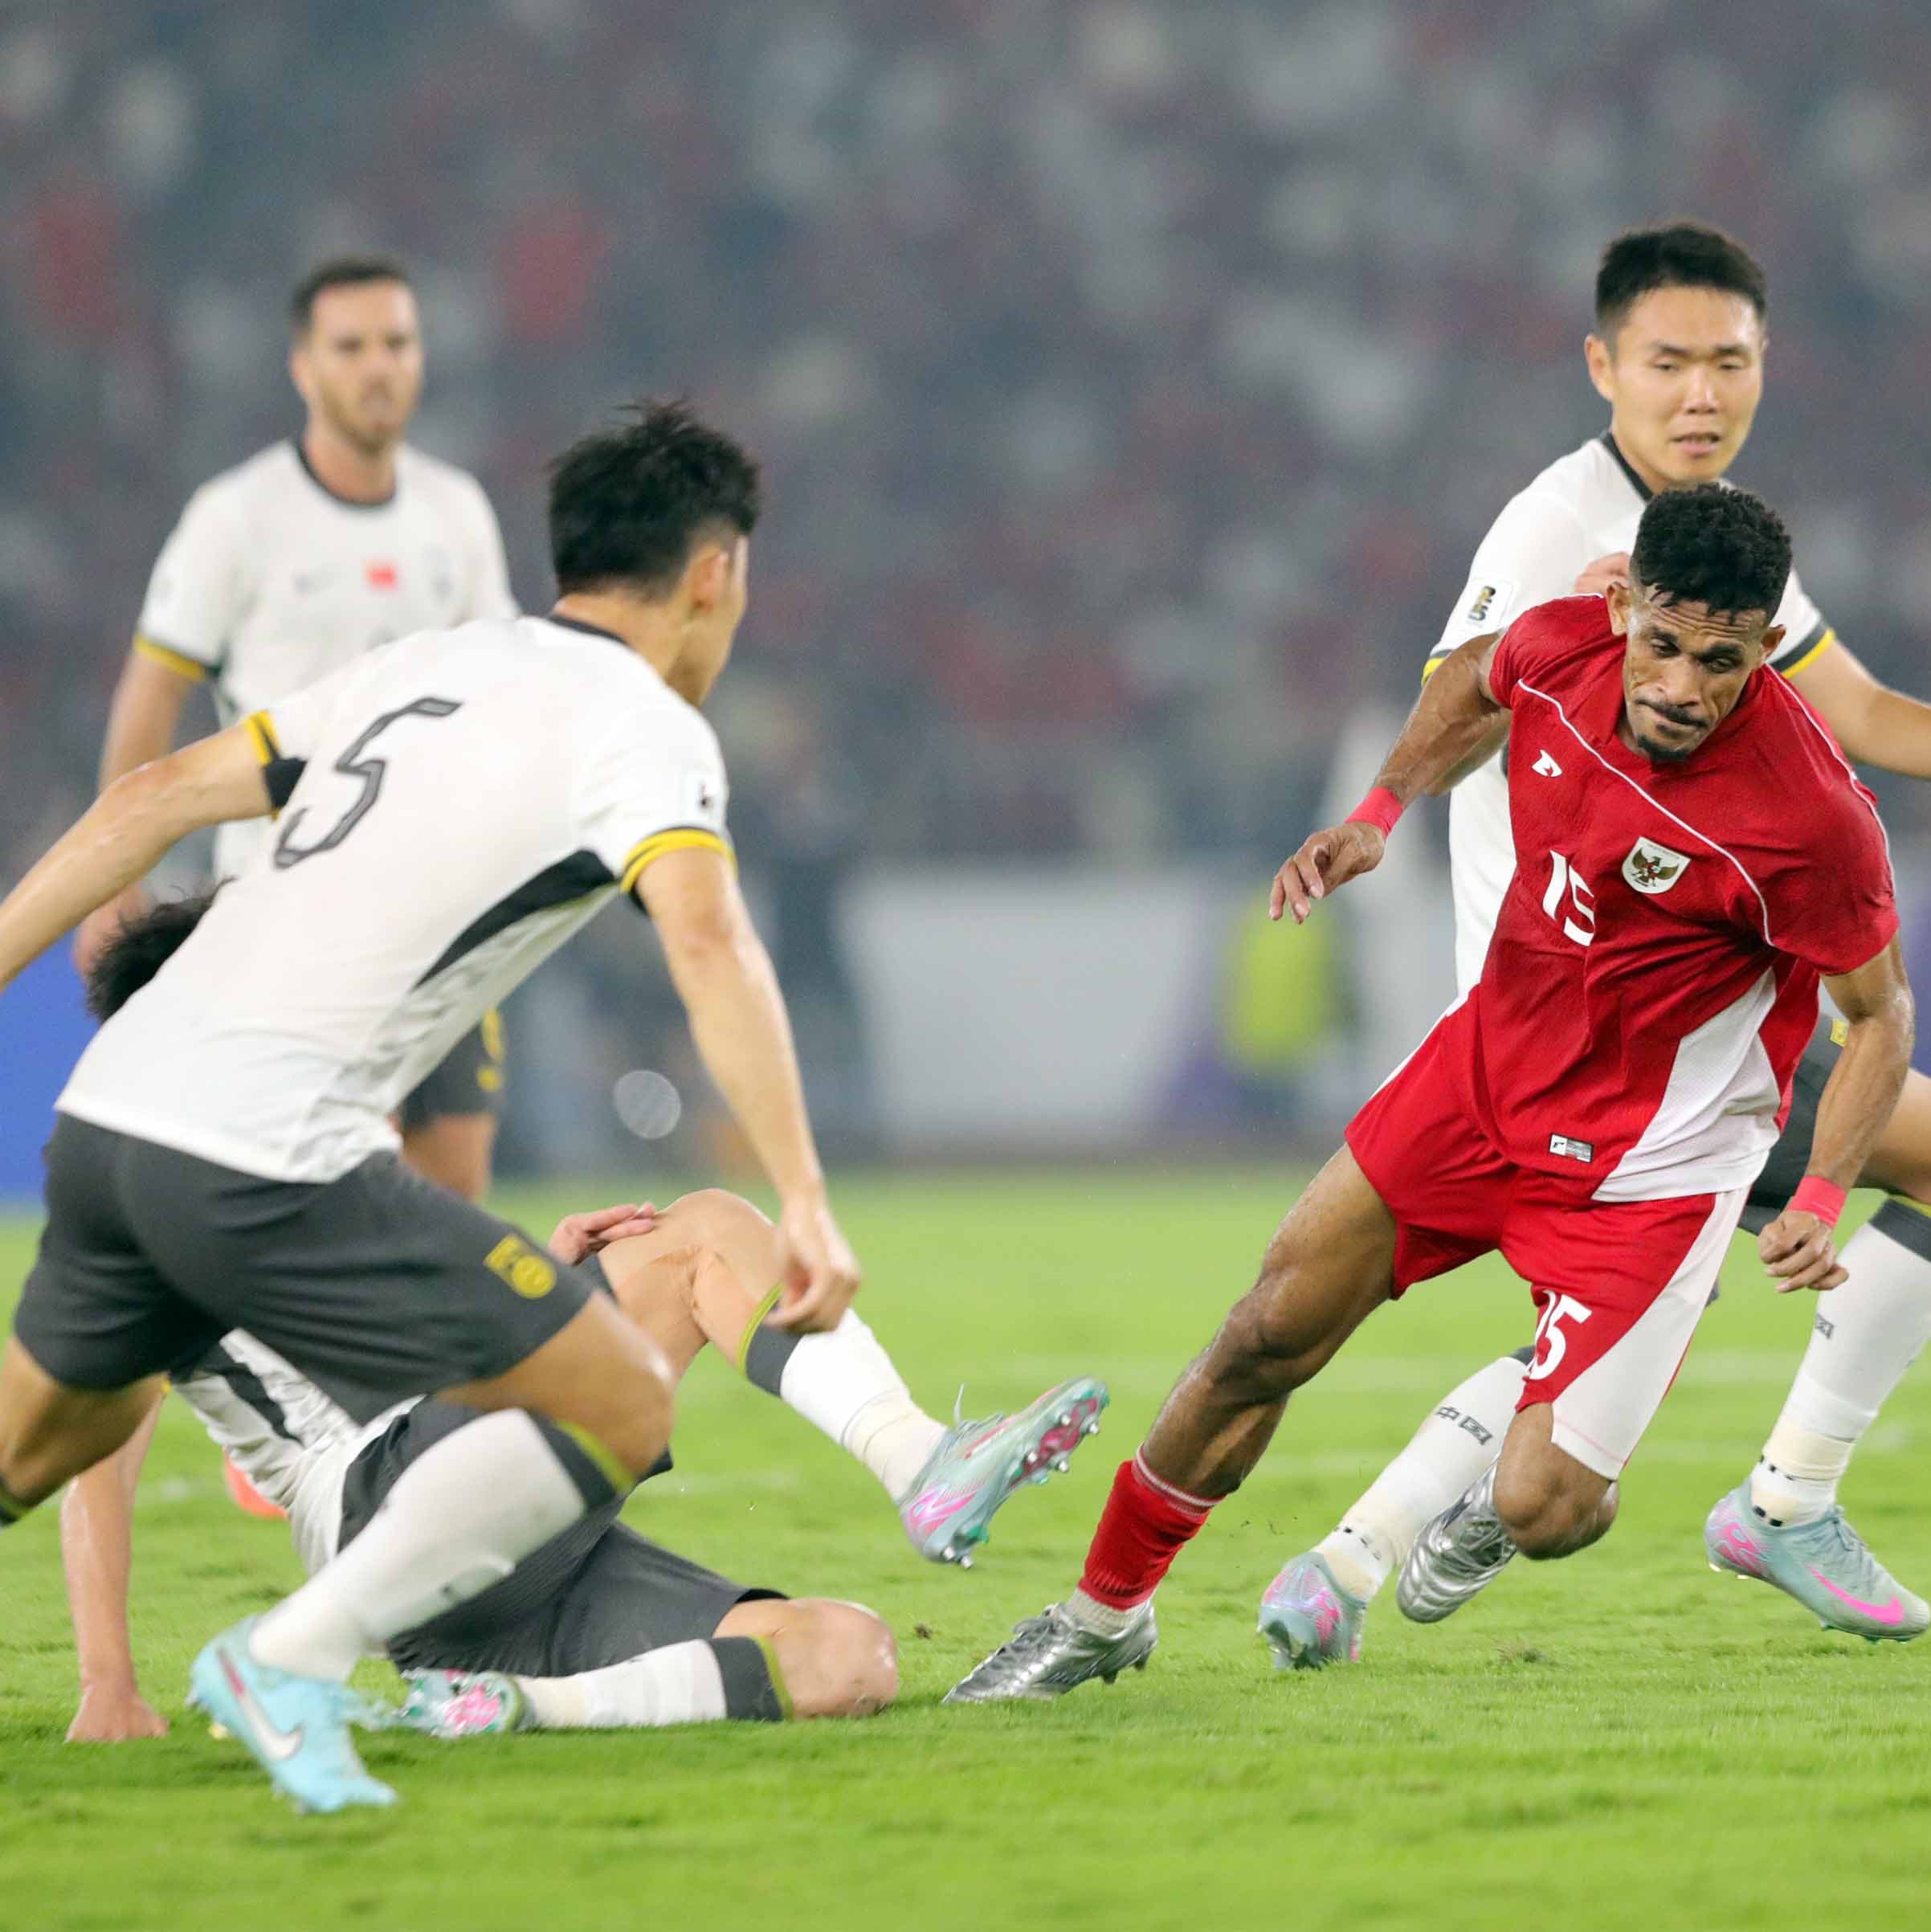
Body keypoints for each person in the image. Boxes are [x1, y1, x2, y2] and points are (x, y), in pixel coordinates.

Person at [1263, 222, 1931, 1662]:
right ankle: (1763, 1504)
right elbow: (1464, 693)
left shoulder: (1708, 534)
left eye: (1728, 363)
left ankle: (1354, 1560)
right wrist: (1380, 812)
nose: (1701, 393)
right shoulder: (1558, 526)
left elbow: (1850, 710)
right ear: (1601, 367)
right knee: (1875, 1202)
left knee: (1881, 1196)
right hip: (1576, 1021)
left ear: (1764, 366)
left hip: (1682, 1004)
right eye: (1668, 362)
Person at [0, 401, 848, 1813]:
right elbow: (707, 942)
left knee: (27, 1451)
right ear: (715, 574)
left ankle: (353, 1655)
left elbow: (149, 796)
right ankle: (291, 1657)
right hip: (269, 1148)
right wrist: (804, 1192)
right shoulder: (643, 728)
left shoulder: (423, 664)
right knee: (616, 1394)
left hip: (105, 1124)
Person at [947, 484, 1911, 1701]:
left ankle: (1502, 1496)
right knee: (1262, 1333)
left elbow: (1880, 1016)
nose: (1678, 688)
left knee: (1547, 1504)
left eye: (1719, 663)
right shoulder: (1557, 645)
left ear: (1765, 647)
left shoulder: (1811, 816)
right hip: (1479, 1083)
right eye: (1662, 644)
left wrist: (1819, 1193)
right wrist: (1379, 809)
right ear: (1622, 605)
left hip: (1652, 1167)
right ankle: (1099, 1616)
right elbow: (1471, 683)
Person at [55, 897, 1107, 1744]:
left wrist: (531, 1277)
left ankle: (514, 1705)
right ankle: (920, 1460)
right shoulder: (155, 1195)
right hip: (389, 1506)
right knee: (703, 1234)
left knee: (849, 1657)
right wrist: (108, 1680)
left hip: (464, 1587)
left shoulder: (299, 1141)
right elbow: (99, 1449)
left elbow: (395, 1321)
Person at [88, 253, 518, 1202]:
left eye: (396, 343)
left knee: (453, 1186)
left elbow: (495, 695)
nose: (378, 367)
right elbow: (151, 697)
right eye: (350, 346)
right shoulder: (237, 518)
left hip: (436, 906)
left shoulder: (456, 513)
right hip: (281, 907)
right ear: (303, 367)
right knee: (312, 1182)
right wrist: (114, 884)